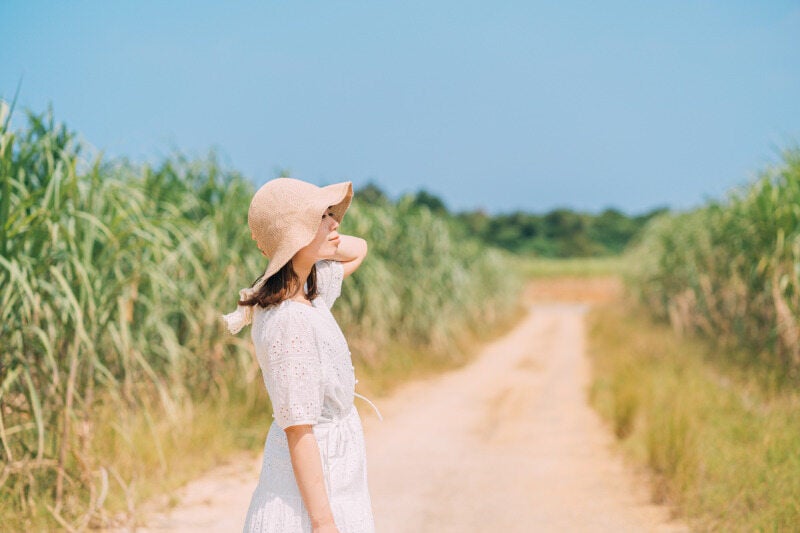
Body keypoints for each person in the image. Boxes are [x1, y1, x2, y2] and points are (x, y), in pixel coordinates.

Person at [222, 177, 382, 533]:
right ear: (295, 235)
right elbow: (298, 428)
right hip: (314, 486)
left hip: (336, 472)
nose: (335, 223)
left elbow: (359, 248)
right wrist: (323, 523)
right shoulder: (290, 322)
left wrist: (313, 242)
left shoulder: (310, 293)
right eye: (322, 217)